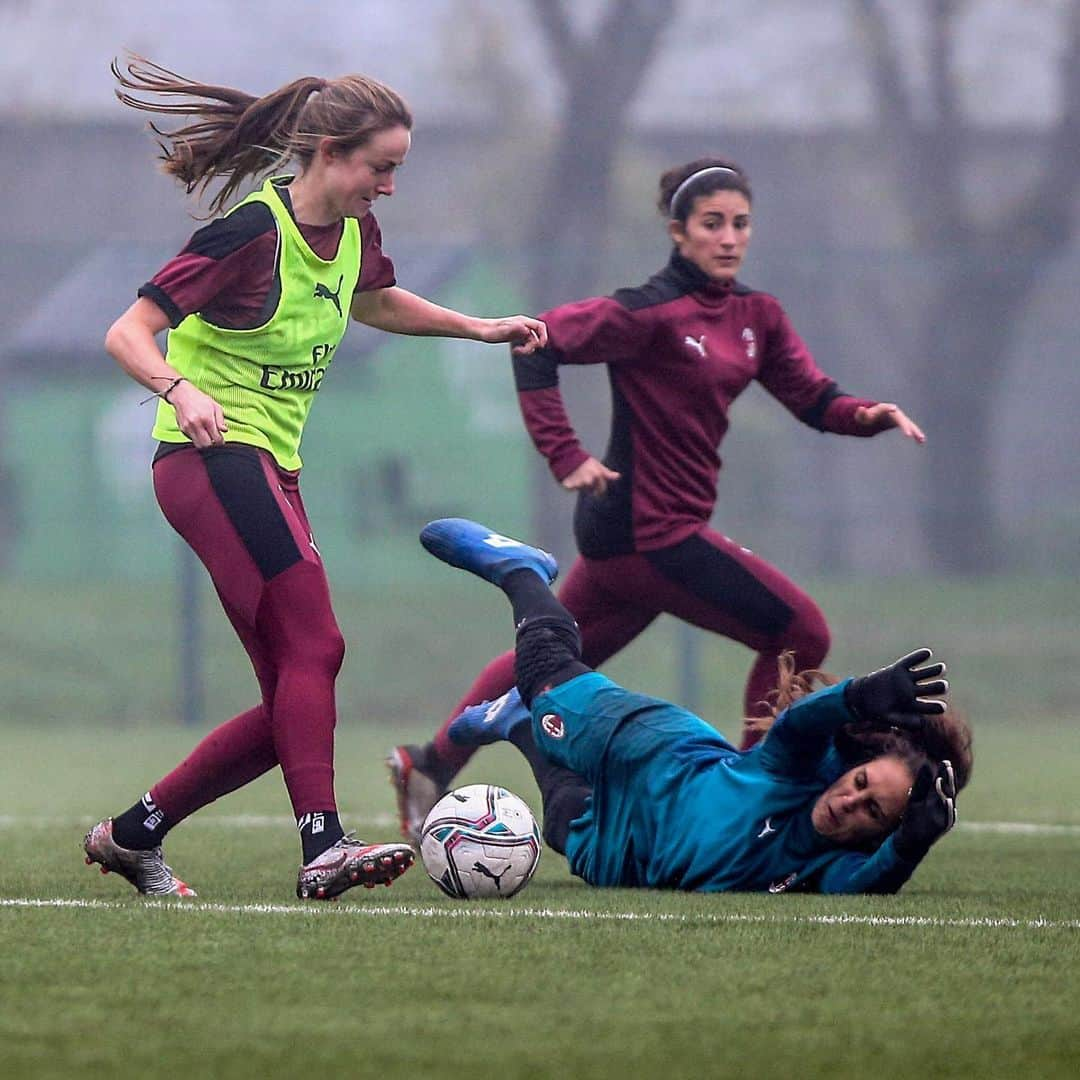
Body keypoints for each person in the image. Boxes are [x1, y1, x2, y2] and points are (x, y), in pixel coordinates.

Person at [83, 56, 547, 901]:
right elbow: (128, 332)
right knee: (319, 646)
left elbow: (377, 301)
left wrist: (478, 327)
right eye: (383, 167)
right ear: (331, 154)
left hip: (270, 467)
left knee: (294, 702)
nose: (391, 186)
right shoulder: (249, 233)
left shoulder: (353, 234)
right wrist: (179, 388)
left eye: (397, 168)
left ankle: (131, 835)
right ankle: (323, 848)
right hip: (208, 459)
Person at [389, 157, 928, 840]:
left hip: (644, 539)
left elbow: (812, 397)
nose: (728, 237)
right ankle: (750, 795)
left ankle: (431, 761)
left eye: (740, 223)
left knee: (553, 658)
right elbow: (535, 343)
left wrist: (865, 414)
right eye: (712, 224)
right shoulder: (645, 312)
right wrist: (566, 455)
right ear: (678, 231)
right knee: (801, 632)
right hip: (648, 529)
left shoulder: (757, 315)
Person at [420, 518, 973, 894]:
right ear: (850, 770)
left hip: (632, 853)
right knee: (544, 671)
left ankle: (515, 723)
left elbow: (866, 886)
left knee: (560, 823)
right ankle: (521, 569)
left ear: (878, 833)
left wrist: (908, 847)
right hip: (649, 749)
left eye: (872, 811)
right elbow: (803, 722)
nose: (852, 802)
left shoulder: (830, 866)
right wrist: (858, 696)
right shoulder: (796, 768)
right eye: (860, 786)